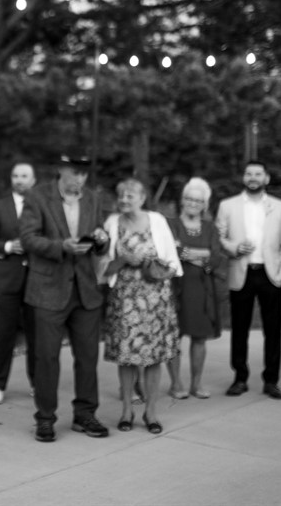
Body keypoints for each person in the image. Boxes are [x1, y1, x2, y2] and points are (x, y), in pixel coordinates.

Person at [19, 154, 110, 442]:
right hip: (48, 290)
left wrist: (101, 241)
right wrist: (62, 246)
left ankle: (85, 414)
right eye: (74, 173)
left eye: (84, 174)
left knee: (88, 357)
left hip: (85, 290)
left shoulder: (93, 199)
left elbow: (99, 236)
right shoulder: (37, 196)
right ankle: (45, 419)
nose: (80, 179)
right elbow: (28, 238)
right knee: (46, 357)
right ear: (61, 170)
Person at [100, 178, 181, 435]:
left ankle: (151, 412)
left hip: (156, 298)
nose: (124, 200)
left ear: (142, 198)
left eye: (130, 196)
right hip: (125, 299)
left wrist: (152, 260)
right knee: (126, 357)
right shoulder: (112, 224)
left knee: (154, 357)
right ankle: (127, 410)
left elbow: (171, 260)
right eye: (121, 195)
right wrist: (124, 258)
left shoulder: (157, 221)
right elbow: (103, 267)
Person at [215, 161, 281, 400]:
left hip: (270, 275)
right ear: (243, 178)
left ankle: (271, 380)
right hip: (242, 271)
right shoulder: (227, 206)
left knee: (273, 330)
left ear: (266, 178)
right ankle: (240, 378)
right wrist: (234, 248)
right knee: (240, 329)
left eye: (258, 174)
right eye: (249, 174)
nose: (253, 178)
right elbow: (219, 237)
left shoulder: (279, 206)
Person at [0, 161, 37, 405]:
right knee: (5, 333)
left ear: (33, 180)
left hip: (36, 279)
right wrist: (6, 246)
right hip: (7, 279)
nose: (19, 180)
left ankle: (38, 382)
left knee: (37, 334)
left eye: (24, 176)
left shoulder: (42, 205)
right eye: (15, 176)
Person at [166, 177, 226, 400]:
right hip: (175, 286)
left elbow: (216, 256)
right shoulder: (170, 224)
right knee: (173, 336)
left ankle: (196, 384)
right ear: (182, 200)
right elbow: (170, 252)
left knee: (199, 337)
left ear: (205, 205)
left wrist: (189, 253)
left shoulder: (210, 228)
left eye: (198, 201)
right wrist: (202, 253)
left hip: (202, 288)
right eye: (189, 199)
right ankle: (176, 383)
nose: (193, 203)